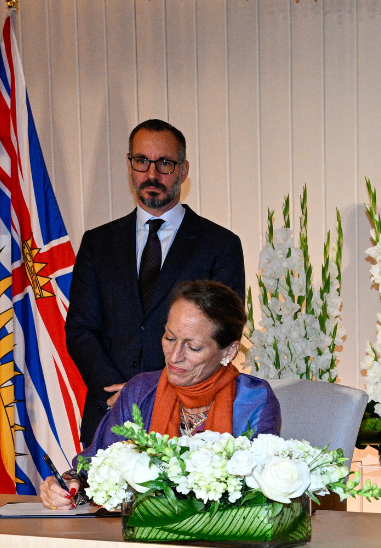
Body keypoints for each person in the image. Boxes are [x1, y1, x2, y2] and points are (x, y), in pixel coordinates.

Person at [66, 118, 246, 446]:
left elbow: (223, 335)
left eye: (164, 163)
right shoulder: (97, 243)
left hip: (189, 419)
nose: (152, 174)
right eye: (141, 161)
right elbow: (80, 330)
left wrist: (149, 392)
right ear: (130, 165)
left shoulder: (220, 244)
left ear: (183, 170)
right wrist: (121, 393)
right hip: (108, 414)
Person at [42, 281, 280, 509]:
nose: (174, 356)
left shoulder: (254, 400)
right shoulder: (140, 391)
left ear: (228, 350)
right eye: (169, 338)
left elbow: (257, 494)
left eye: (193, 347)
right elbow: (91, 469)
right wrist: (65, 486)